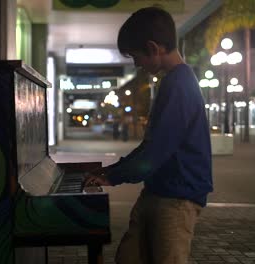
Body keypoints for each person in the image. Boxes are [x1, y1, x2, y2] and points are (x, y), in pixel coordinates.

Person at [85, 6, 213, 264]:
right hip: (159, 193)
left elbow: (154, 153)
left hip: (176, 200)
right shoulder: (174, 82)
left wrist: (113, 176)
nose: (137, 64)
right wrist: (112, 172)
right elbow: (151, 147)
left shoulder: (178, 85)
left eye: (136, 56)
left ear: (154, 48)